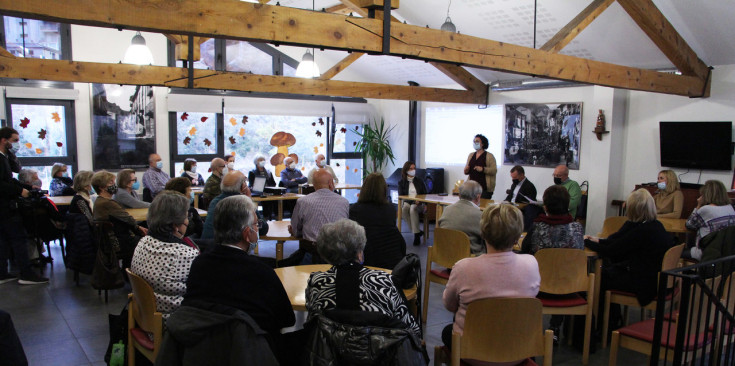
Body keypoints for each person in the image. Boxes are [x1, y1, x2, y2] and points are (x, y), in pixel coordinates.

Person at [182, 194, 295, 343]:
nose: (258, 228)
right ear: (247, 234)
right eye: (256, 225)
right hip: (254, 351)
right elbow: (287, 319)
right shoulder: (262, 272)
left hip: (205, 347)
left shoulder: (198, 264)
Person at [442, 204, 540, 353]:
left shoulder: (463, 268)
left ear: (483, 232)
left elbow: (449, 305)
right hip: (518, 349)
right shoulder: (531, 263)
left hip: (473, 351)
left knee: (448, 331)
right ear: (517, 236)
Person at [306, 219, 421, 337]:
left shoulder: (317, 282)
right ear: (359, 253)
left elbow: (312, 322)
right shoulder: (384, 282)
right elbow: (412, 329)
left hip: (328, 351)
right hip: (381, 351)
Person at [584, 189, 674, 327]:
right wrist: (599, 241)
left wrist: (585, 241)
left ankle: (604, 324)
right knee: (607, 273)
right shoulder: (655, 226)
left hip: (643, 284)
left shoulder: (641, 231)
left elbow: (611, 251)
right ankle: (612, 319)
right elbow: (620, 243)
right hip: (656, 280)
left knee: (598, 278)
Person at [131, 191, 200, 320]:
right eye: (186, 217)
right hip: (175, 322)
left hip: (145, 316)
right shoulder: (186, 254)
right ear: (175, 225)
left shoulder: (143, 242)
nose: (187, 221)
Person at [0, 127, 49, 285]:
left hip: (4, 206)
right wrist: (20, 190)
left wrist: (27, 187)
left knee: (4, 241)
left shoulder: (4, 157)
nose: (17, 144)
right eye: (14, 140)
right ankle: (26, 274)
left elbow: (11, 176)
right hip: (5, 207)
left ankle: (2, 273)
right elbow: (2, 184)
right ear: (3, 140)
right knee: (19, 239)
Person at [289, 169, 349, 264]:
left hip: (312, 253)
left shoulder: (303, 202)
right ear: (331, 183)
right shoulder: (344, 202)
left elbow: (296, 232)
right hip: (338, 254)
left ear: (313, 184)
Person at [92, 170, 148, 269]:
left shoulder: (100, 201)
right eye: (111, 183)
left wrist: (137, 227)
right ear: (101, 187)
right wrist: (138, 227)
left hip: (108, 239)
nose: (114, 185)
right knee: (147, 241)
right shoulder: (108, 203)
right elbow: (128, 219)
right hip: (116, 241)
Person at [349, 173, 405, 269]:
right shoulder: (390, 209)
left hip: (367, 260)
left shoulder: (355, 209)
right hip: (393, 259)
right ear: (384, 189)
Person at [522, 185, 584, 255]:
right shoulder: (577, 228)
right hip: (570, 265)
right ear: (567, 205)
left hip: (542, 265)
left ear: (545, 207)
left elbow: (524, 249)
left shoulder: (537, 227)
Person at [686, 180, 735, 260]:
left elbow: (689, 225)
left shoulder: (706, 209)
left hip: (707, 252)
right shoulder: (730, 208)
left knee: (675, 252)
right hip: (726, 253)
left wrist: (698, 205)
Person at [438, 180, 485, 255]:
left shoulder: (447, 209)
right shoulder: (479, 215)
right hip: (469, 258)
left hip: (445, 255)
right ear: (478, 197)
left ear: (459, 195)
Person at [201, 171, 251, 240]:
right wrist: (249, 199)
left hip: (206, 245)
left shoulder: (215, 201)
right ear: (243, 186)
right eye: (245, 181)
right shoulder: (241, 203)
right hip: (225, 246)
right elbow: (263, 228)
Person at [398, 161, 426, 246]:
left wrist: (421, 202)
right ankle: (417, 232)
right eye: (411, 169)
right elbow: (401, 196)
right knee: (404, 209)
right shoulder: (401, 182)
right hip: (408, 202)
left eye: (414, 168)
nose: (413, 170)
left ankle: (416, 235)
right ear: (406, 170)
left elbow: (425, 194)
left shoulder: (419, 181)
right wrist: (413, 201)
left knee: (413, 208)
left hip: (419, 204)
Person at [464, 134, 497, 199]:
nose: (475, 143)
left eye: (477, 141)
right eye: (474, 141)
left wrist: (483, 169)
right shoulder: (471, 155)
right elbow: (467, 170)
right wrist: (466, 171)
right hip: (471, 187)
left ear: (483, 144)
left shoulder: (489, 156)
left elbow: (494, 170)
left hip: (484, 188)